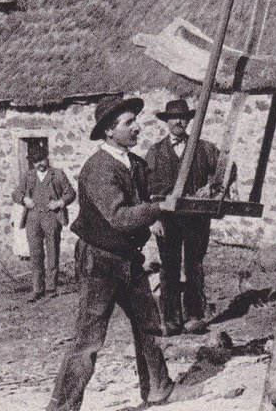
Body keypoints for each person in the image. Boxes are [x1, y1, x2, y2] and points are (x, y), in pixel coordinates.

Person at [47, 95, 181, 411]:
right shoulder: (97, 169)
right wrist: (158, 208)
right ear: (109, 130)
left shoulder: (135, 164)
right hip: (99, 261)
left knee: (148, 324)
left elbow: (145, 201)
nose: (138, 127)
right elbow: (120, 217)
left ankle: (159, 389)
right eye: (128, 122)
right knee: (89, 339)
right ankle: (62, 407)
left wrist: (168, 203)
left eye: (136, 120)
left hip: (128, 258)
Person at [141, 98, 226, 335]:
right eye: (173, 118)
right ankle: (170, 319)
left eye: (182, 117)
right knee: (168, 267)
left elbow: (227, 168)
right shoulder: (155, 153)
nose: (178, 121)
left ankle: (194, 316)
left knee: (194, 265)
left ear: (189, 120)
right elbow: (144, 189)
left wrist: (212, 186)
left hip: (197, 218)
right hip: (166, 219)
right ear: (167, 122)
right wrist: (153, 219)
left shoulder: (203, 148)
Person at [12, 143, 76, 301]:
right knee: (35, 254)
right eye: (35, 161)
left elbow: (71, 193)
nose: (39, 164)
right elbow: (16, 193)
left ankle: (51, 289)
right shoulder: (28, 175)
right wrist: (24, 199)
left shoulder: (58, 174)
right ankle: (37, 289)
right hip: (32, 219)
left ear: (47, 158)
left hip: (52, 218)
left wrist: (60, 203)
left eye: (41, 160)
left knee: (53, 252)